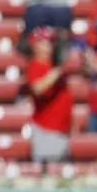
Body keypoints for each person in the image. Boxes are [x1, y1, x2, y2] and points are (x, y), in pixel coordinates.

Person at [26, 26, 74, 163]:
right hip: (46, 129)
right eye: (46, 42)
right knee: (48, 176)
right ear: (36, 45)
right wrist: (58, 71)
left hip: (61, 129)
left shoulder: (52, 65)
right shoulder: (35, 65)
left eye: (50, 42)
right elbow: (37, 88)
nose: (50, 46)